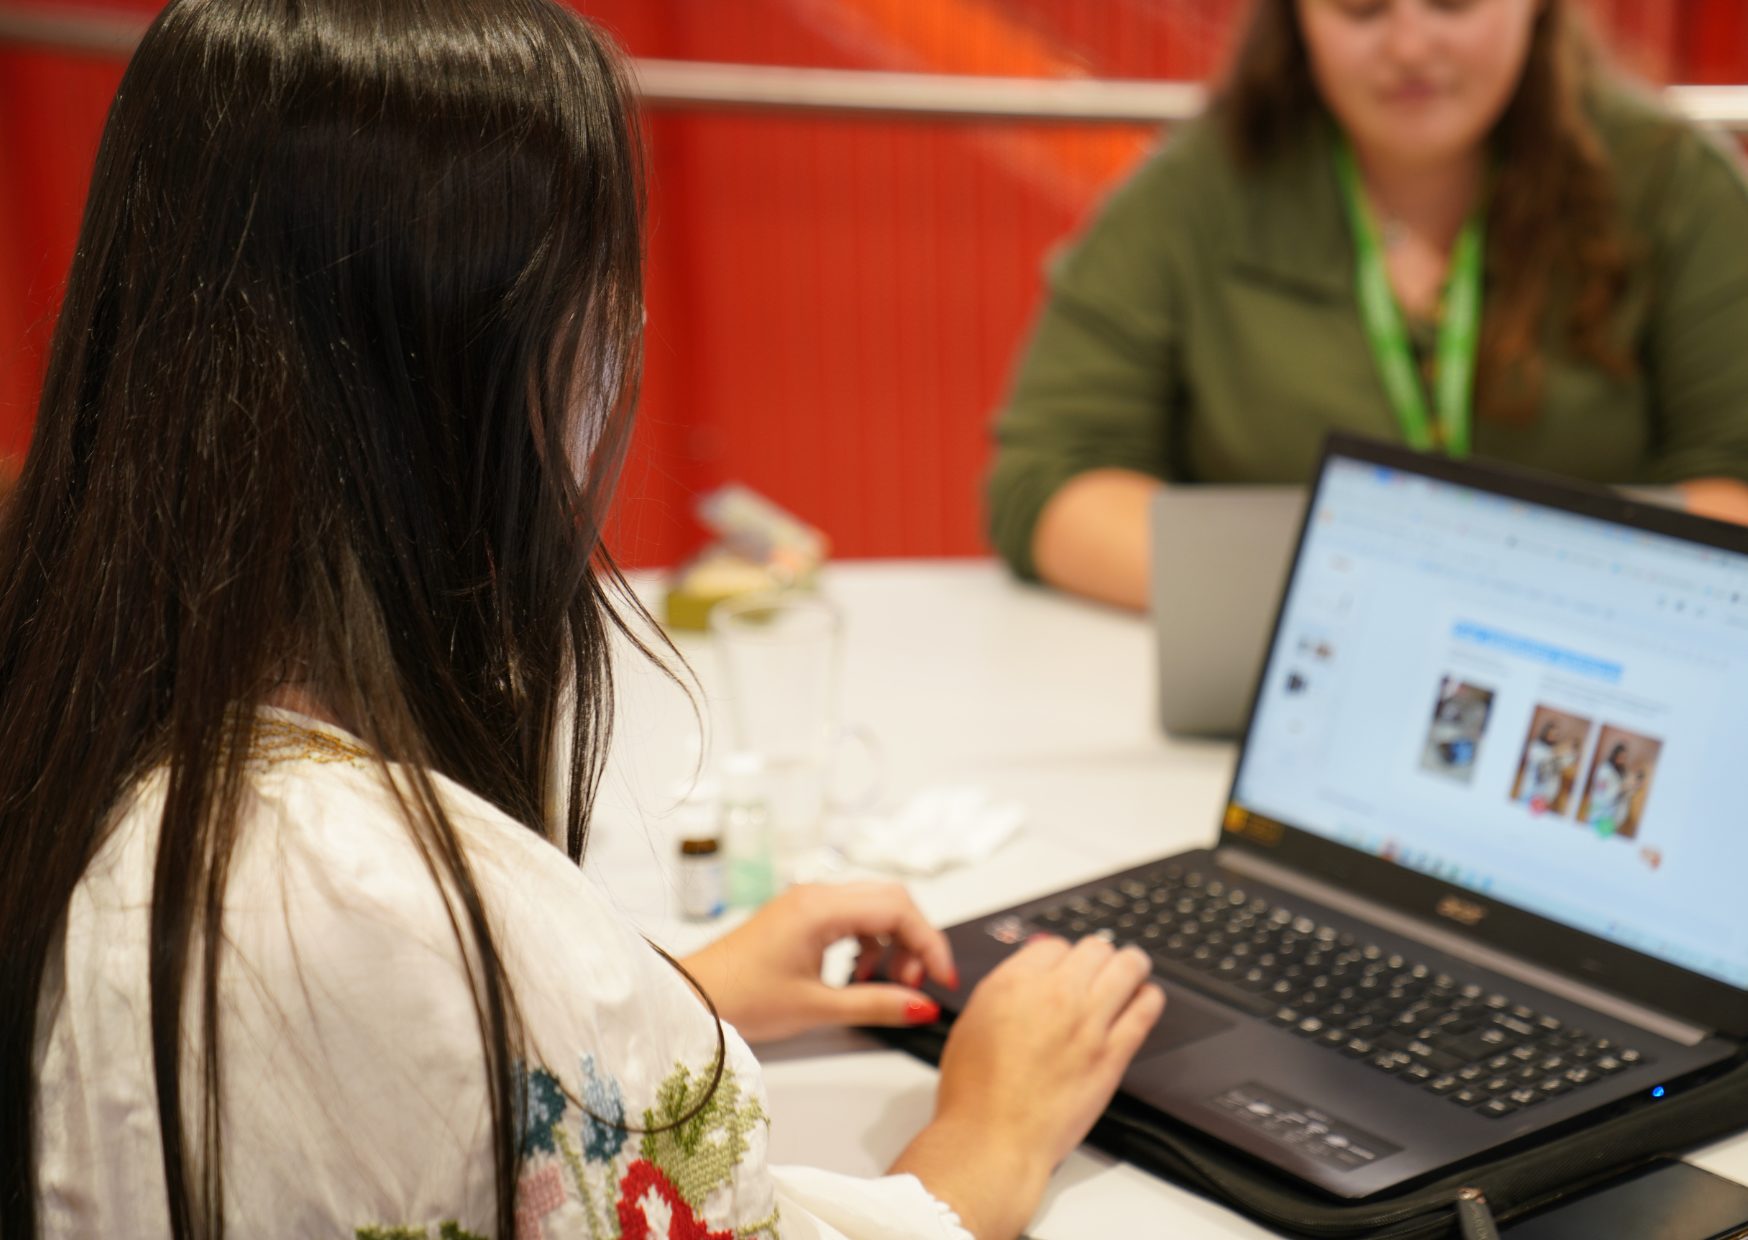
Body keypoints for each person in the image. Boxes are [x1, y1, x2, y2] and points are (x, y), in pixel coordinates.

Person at [0, 4, 1164, 1238]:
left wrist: (638, 1008)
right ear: (479, 362)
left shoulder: (81, 692)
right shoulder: (361, 898)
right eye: (604, 300)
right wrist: (982, 1137)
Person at [987, 0, 1748, 611]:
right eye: (1362, 9)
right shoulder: (1198, 189)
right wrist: (1327, 595)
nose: (1410, 46)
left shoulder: (1671, 182)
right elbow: (1047, 477)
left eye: (1452, 4)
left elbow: (1733, 479)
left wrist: (1500, 603)